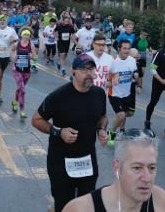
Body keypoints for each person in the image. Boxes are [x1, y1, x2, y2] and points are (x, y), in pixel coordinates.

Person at [31, 54, 108, 212]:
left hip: (87, 160)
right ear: (74, 72)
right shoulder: (59, 96)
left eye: (91, 69)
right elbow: (36, 120)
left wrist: (101, 130)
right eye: (84, 69)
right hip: (61, 161)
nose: (89, 73)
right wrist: (59, 132)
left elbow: (102, 117)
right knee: (64, 206)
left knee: (86, 205)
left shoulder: (99, 94)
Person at [62, 129, 165, 212]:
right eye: (137, 168)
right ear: (116, 167)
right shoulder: (81, 209)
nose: (147, 178)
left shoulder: (163, 203)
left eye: (152, 168)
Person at [106, 40, 137, 147]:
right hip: (114, 94)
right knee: (121, 115)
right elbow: (105, 81)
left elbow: (134, 73)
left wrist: (136, 76)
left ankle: (121, 130)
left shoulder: (132, 60)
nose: (127, 51)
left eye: (128, 48)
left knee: (124, 115)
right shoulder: (113, 61)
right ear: (119, 48)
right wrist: (111, 82)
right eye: (124, 48)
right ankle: (111, 133)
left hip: (127, 93)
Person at [10, 27, 38, 119]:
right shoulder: (17, 43)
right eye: (25, 34)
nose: (26, 36)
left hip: (26, 71)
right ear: (21, 35)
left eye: (28, 35)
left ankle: (15, 101)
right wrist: (14, 57)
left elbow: (35, 57)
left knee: (20, 88)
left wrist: (32, 57)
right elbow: (12, 50)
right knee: (23, 90)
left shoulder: (31, 45)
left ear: (30, 36)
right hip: (17, 70)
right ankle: (22, 110)